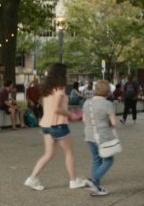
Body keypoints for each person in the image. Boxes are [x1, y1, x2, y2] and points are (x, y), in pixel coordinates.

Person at [24, 63, 91, 191]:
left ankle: (32, 178)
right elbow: (57, 109)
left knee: (48, 154)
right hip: (58, 125)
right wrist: (72, 114)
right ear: (61, 74)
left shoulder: (46, 89)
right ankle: (73, 180)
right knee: (69, 153)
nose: (67, 75)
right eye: (66, 73)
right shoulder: (60, 89)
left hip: (46, 125)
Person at [82, 80, 118, 197]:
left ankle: (95, 188)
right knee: (108, 160)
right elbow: (114, 122)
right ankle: (94, 180)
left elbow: (84, 120)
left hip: (89, 135)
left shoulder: (87, 102)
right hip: (103, 136)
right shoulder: (107, 104)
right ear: (107, 91)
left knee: (96, 159)